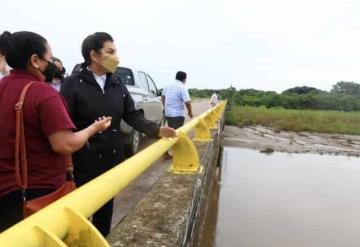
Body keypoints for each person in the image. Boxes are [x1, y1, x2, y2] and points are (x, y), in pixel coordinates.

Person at [60, 32, 177, 237]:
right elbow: (65, 124)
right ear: (95, 55)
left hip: (110, 159)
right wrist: (67, 161)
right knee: (80, 215)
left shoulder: (117, 83)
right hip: (83, 161)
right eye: (111, 52)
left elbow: (131, 115)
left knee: (105, 212)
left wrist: (157, 131)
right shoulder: (72, 84)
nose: (116, 57)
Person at [0, 31, 112, 232]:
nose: (53, 64)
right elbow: (64, 144)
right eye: (49, 59)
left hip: (5, 191)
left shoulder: (3, 86)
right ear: (35, 60)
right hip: (38, 193)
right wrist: (93, 129)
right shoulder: (43, 93)